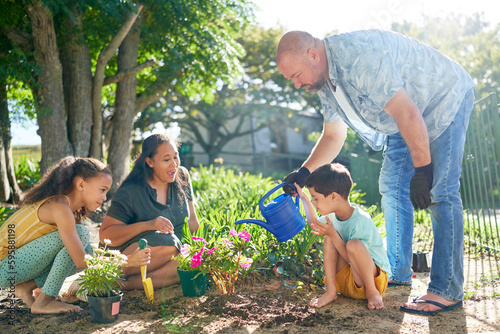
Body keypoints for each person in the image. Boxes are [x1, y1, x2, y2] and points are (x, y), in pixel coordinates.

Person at [276, 30, 474, 315]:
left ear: (313, 55)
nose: (296, 85)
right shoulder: (326, 82)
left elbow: (408, 113)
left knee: (440, 191)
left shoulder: (358, 55)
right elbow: (333, 135)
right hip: (403, 117)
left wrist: (422, 170)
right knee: (392, 187)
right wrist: (304, 172)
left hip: (443, 98)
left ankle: (446, 289)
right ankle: (397, 271)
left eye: (295, 75)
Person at [0, 157, 149, 314]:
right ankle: (44, 301)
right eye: (102, 190)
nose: (105, 197)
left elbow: (81, 256)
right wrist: (126, 261)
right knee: (81, 235)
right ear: (81, 184)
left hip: (13, 267)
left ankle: (26, 288)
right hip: (5, 267)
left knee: (88, 250)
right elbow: (80, 261)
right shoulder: (59, 207)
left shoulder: (63, 206)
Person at [99, 134, 200, 290]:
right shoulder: (131, 191)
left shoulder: (182, 176)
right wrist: (148, 225)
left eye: (176, 157)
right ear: (150, 162)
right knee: (168, 242)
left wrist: (201, 249)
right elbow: (106, 234)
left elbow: (192, 221)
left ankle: (124, 285)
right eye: (166, 160)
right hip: (128, 258)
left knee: (188, 264)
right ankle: (111, 275)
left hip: (169, 257)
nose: (174, 164)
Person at [295, 163, 391, 310]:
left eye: (316, 198)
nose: (314, 203)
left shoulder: (360, 221)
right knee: (329, 239)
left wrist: (333, 234)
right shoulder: (333, 216)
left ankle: (373, 294)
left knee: (353, 244)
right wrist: (304, 198)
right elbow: (314, 223)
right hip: (349, 282)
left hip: (371, 280)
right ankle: (331, 291)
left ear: (333, 196)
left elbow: (352, 257)